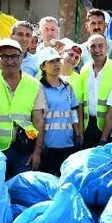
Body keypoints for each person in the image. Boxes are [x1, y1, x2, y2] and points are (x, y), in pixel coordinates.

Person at [0, 39, 45, 177]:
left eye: (14, 56)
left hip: (24, 151)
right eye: (4, 56)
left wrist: (37, 152)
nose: (9, 61)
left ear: (21, 58)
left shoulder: (34, 85)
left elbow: (39, 121)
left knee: (22, 192)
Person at [71, 34, 112, 149]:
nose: (97, 50)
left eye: (101, 46)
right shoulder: (84, 70)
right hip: (87, 126)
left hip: (110, 127)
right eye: (93, 47)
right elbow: (81, 101)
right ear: (88, 50)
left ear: (107, 48)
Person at [37, 47, 80, 175]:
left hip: (68, 144)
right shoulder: (39, 88)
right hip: (48, 146)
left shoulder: (68, 87)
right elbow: (37, 118)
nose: (56, 64)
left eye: (57, 60)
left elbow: (73, 112)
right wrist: (39, 146)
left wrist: (77, 134)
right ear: (43, 67)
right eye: (51, 62)